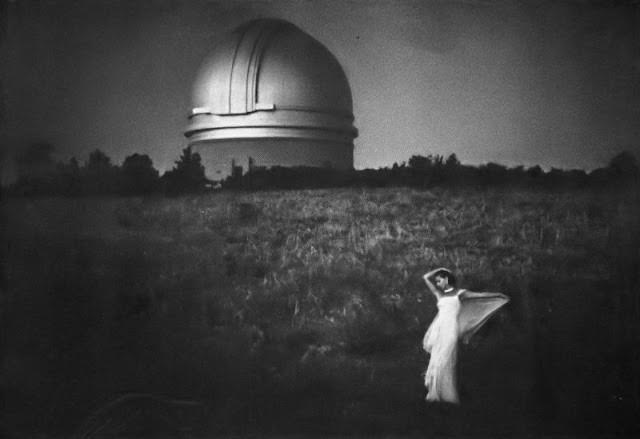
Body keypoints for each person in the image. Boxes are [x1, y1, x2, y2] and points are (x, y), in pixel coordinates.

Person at [422, 267, 510, 404]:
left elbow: (479, 296)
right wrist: (440, 269)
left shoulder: (460, 293)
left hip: (450, 329)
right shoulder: (440, 295)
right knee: (436, 357)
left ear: (446, 279)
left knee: (445, 358)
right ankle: (434, 392)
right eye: (437, 282)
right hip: (438, 328)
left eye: (439, 281)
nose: (438, 284)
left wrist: (497, 296)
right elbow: (426, 277)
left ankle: (446, 394)